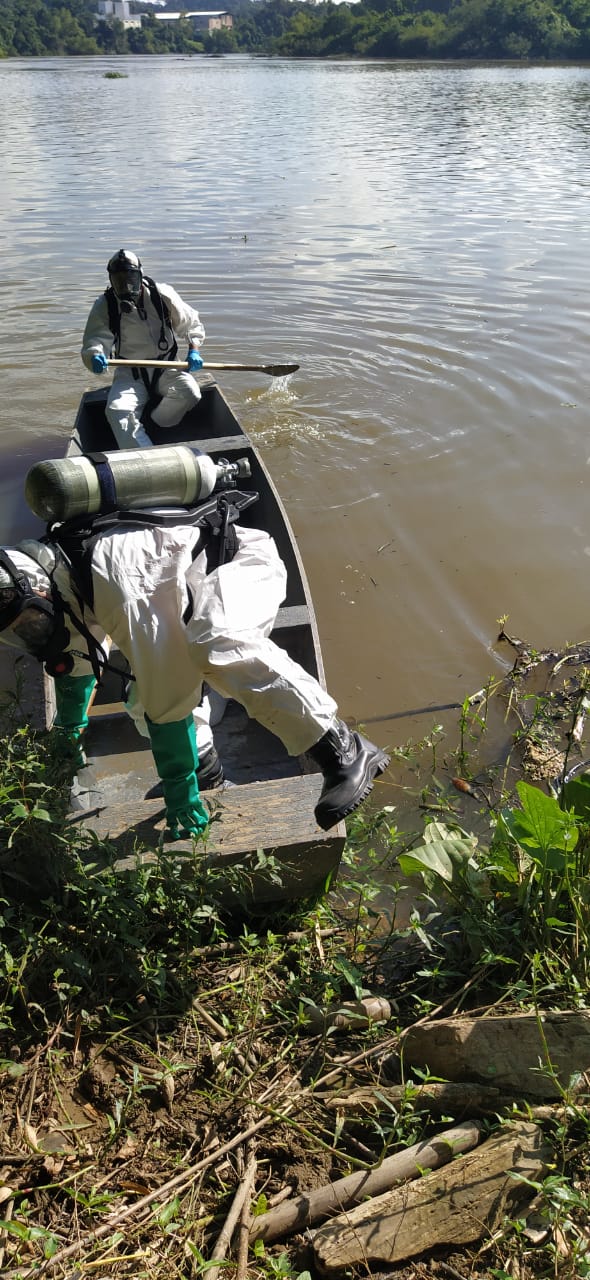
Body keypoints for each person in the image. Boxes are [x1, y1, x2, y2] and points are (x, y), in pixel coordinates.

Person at [0, 519, 390, 840]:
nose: (31, 633)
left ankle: (342, 748)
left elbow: (167, 696)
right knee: (140, 696)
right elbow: (79, 654)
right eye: (20, 632)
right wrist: (69, 727)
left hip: (237, 567)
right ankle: (205, 767)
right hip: (182, 590)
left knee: (215, 643)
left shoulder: (117, 584)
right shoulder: (64, 576)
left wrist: (178, 789)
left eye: (30, 622)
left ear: (36, 588)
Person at [81, 250, 205, 450]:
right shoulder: (105, 304)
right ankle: (146, 456)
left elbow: (191, 325)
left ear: (139, 275)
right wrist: (96, 355)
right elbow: (94, 340)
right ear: (111, 280)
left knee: (190, 392)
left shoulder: (162, 295)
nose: (125, 286)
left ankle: (156, 423)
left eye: (130, 278)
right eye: (118, 280)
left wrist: (194, 350)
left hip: (167, 367)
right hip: (130, 373)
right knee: (116, 412)